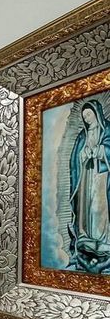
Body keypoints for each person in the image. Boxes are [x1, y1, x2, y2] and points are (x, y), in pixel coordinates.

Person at [68, 99, 110, 273]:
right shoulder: (83, 135)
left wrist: (100, 151)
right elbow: (74, 157)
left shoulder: (107, 129)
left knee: (98, 207)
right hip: (86, 176)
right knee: (85, 207)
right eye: (84, 116)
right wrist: (83, 154)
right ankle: (85, 238)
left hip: (101, 175)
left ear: (96, 113)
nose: (86, 118)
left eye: (88, 114)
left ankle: (103, 241)